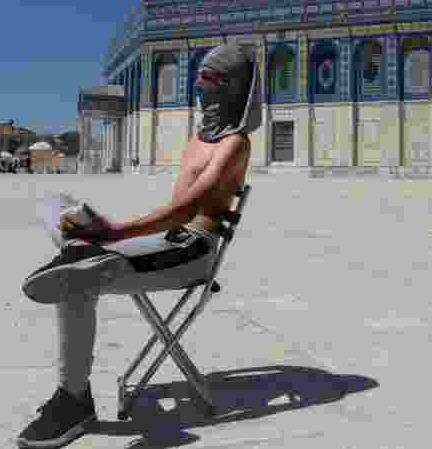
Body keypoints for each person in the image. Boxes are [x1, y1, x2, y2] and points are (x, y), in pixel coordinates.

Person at [16, 43, 260, 448]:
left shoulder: (234, 143)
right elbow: (173, 213)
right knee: (66, 226)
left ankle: (74, 400)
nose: (200, 89)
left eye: (210, 80)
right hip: (168, 243)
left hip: (192, 254)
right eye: (199, 79)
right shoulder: (199, 138)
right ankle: (78, 252)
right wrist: (103, 230)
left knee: (77, 278)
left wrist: (115, 233)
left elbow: (187, 209)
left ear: (233, 89)